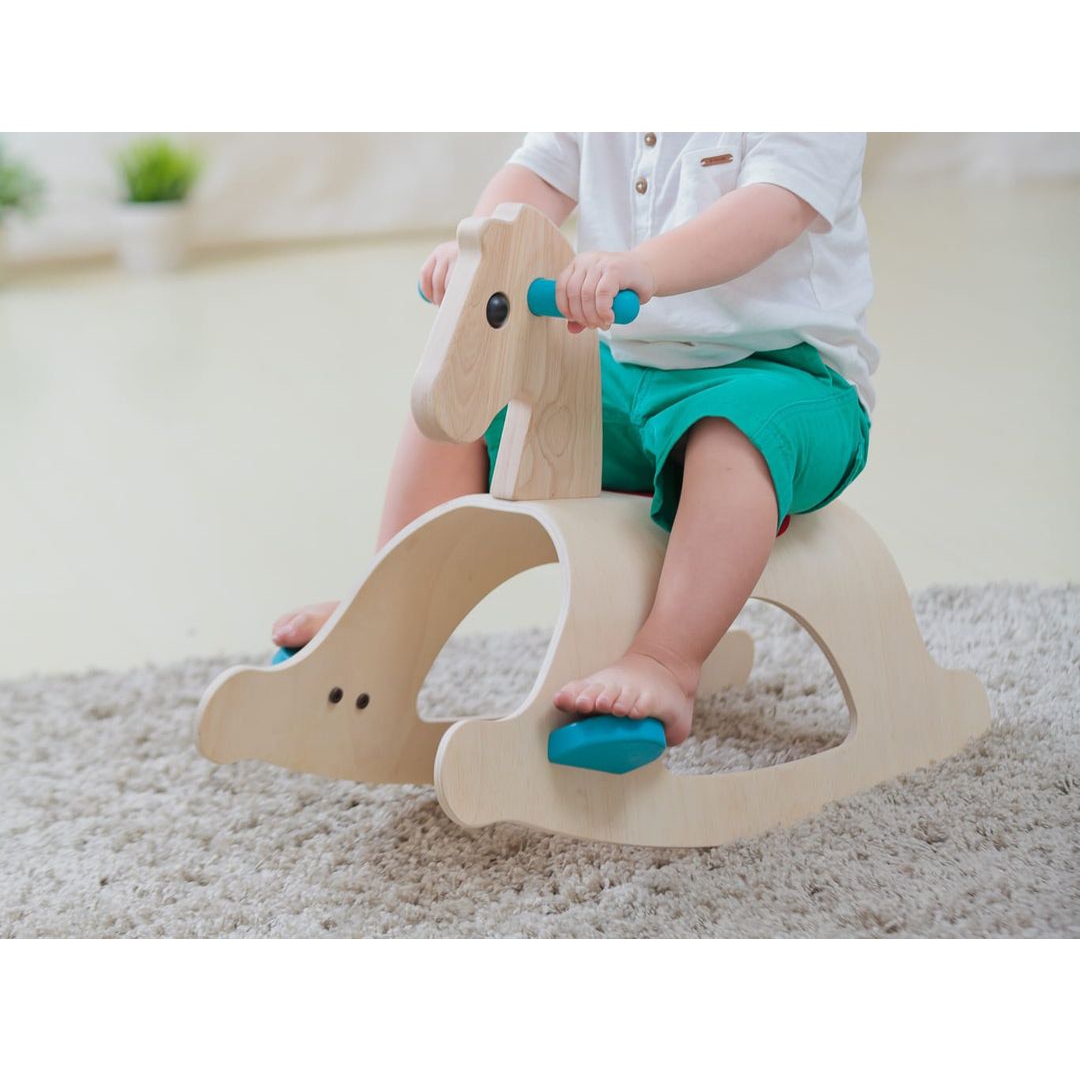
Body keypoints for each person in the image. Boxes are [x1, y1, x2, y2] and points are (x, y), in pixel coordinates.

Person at [272, 132, 877, 747]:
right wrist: (481, 248)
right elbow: (537, 175)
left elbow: (773, 208)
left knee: (732, 435)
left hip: (786, 378)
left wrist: (646, 266)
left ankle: (666, 661)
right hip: (629, 368)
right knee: (469, 395)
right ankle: (385, 607)